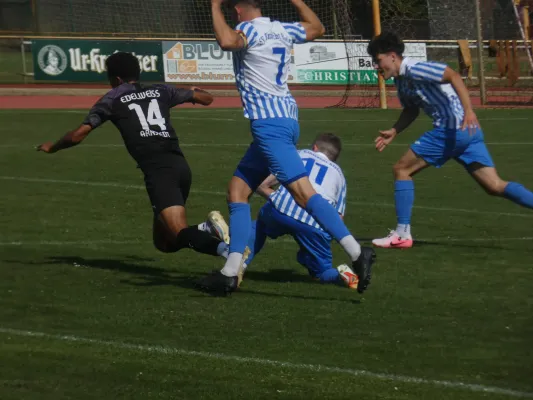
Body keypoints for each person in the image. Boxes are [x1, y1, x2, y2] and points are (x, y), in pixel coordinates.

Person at [196, 0, 375, 295]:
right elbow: (317, 28)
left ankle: (357, 253)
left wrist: (214, 6)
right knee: (237, 191)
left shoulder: (247, 30)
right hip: (287, 120)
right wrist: (298, 2)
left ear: (238, 10)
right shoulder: (280, 28)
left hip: (269, 125)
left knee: (303, 194)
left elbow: (228, 41)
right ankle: (229, 272)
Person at [37, 52, 228, 259]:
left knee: (179, 233)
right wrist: (193, 92)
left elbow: (77, 135)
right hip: (180, 167)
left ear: (116, 79)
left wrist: (52, 147)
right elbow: (207, 99)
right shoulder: (160, 90)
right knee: (165, 243)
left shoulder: (112, 99)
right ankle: (205, 228)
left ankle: (231, 254)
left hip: (159, 171)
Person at [367, 32, 533, 249]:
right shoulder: (401, 81)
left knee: (401, 169)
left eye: (378, 60)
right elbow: (411, 109)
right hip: (468, 132)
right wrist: (395, 130)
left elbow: (453, 75)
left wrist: (469, 110)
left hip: (451, 129)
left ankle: (402, 234)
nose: (377, 66)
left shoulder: (416, 68)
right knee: (494, 185)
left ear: (391, 56)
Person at [206, 133, 368, 292]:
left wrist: (278, 198)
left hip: (281, 209)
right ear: (335, 158)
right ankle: (348, 277)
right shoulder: (340, 175)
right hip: (315, 224)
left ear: (315, 147)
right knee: (322, 271)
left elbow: (262, 184)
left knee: (260, 226)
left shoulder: (300, 154)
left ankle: (241, 262)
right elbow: (337, 218)